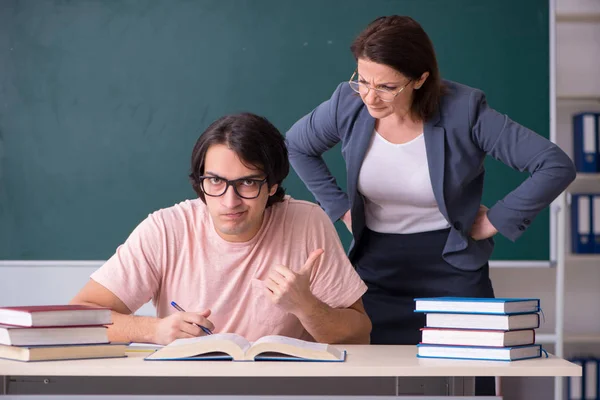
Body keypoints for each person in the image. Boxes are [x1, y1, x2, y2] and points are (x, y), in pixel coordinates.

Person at [285, 16, 576, 394]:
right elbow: (297, 145)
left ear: (420, 79)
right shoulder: (349, 102)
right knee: (374, 384)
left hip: (453, 266)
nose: (370, 96)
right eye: (364, 81)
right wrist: (340, 206)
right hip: (374, 267)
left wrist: (498, 219)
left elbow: (554, 165)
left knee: (466, 387)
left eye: (387, 87)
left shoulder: (464, 110)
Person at [71, 112, 371, 346]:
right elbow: (79, 316)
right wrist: (155, 330)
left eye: (248, 183)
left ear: (273, 185)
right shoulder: (165, 229)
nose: (230, 201)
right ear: (200, 181)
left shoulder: (307, 223)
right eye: (215, 181)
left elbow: (360, 334)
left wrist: (307, 307)